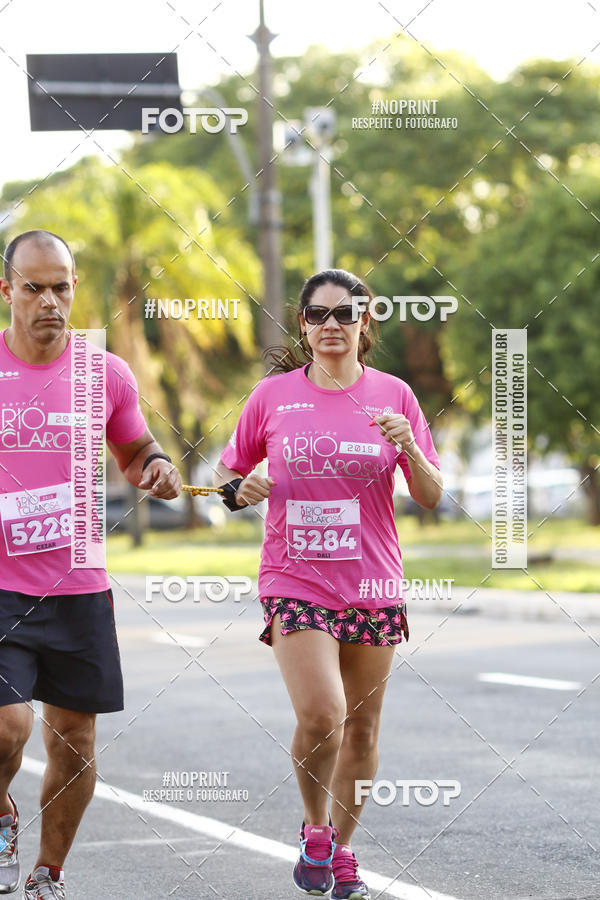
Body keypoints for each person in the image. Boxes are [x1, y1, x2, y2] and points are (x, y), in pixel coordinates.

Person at [214, 268, 443, 899]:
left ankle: (342, 852)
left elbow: (430, 496)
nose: (332, 326)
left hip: (372, 581)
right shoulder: (273, 397)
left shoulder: (396, 396)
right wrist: (240, 490)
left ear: (365, 322)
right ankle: (315, 830)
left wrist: (412, 452)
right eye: (319, 315)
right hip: (295, 577)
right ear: (304, 324)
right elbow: (227, 478)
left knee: (364, 732)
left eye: (346, 314)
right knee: (324, 716)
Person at [0, 230, 182, 899]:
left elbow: (137, 451)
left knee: (73, 741)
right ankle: (1, 819)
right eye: (34, 287)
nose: (50, 300)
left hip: (78, 584)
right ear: (7, 291)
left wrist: (155, 468)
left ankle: (48, 874)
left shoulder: (102, 372)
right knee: (6, 727)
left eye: (62, 286)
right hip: (1, 583)